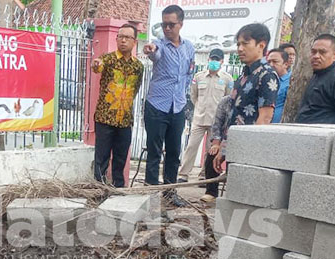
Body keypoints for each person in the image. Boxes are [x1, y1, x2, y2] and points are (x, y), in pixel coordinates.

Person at [204, 24, 279, 198]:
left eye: (245, 43)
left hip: (249, 152)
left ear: (261, 45)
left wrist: (249, 153)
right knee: (232, 199)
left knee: (243, 200)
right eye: (238, 44)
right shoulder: (243, 77)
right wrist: (224, 148)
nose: (240, 49)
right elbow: (232, 117)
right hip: (235, 148)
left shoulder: (266, 75)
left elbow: (265, 118)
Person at [142, 5, 195, 186]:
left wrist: (183, 94)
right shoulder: (160, 44)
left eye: (171, 25)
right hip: (157, 106)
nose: (167, 29)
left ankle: (170, 192)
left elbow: (189, 73)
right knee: (154, 152)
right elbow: (155, 53)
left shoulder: (189, 47)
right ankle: (149, 193)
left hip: (178, 106)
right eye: (164, 24)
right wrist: (150, 49)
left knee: (174, 152)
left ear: (181, 24)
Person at [90, 24, 144, 187]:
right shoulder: (108, 59)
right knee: (102, 158)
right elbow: (97, 66)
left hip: (125, 120)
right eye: (120, 36)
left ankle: (118, 190)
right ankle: (99, 189)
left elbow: (136, 89)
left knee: (120, 159)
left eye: (127, 37)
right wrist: (96, 64)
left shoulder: (138, 66)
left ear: (134, 42)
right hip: (105, 118)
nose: (123, 40)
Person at [177, 48, 233, 183]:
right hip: (199, 118)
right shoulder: (199, 76)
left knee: (211, 150)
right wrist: (200, 108)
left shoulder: (227, 79)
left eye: (217, 60)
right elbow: (193, 96)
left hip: (216, 122)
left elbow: (228, 99)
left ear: (222, 61)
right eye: (212, 59)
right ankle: (183, 175)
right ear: (208, 60)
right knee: (191, 146)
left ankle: (204, 176)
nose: (214, 62)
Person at [201, 95, 233, 202]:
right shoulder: (225, 101)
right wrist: (216, 143)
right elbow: (217, 124)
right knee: (212, 154)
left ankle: (232, 193)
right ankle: (211, 192)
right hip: (224, 139)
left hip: (240, 141)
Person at [266, 48, 290, 123]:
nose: (271, 65)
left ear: (285, 64)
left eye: (275, 62)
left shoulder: (291, 83)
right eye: (269, 62)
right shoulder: (265, 81)